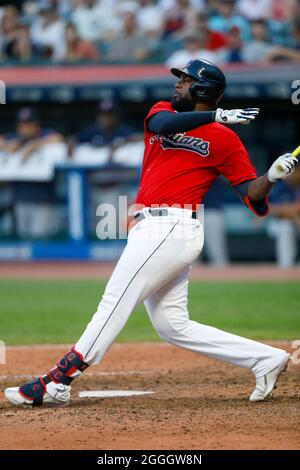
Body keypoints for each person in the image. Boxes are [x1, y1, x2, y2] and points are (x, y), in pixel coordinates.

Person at [5, 59, 296, 407]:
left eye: (185, 81)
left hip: (173, 226)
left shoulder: (226, 140)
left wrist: (273, 177)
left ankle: (58, 380)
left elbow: (251, 195)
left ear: (203, 90)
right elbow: (163, 123)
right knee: (172, 326)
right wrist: (216, 116)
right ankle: (265, 359)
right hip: (154, 227)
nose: (177, 85)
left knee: (115, 299)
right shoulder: (163, 112)